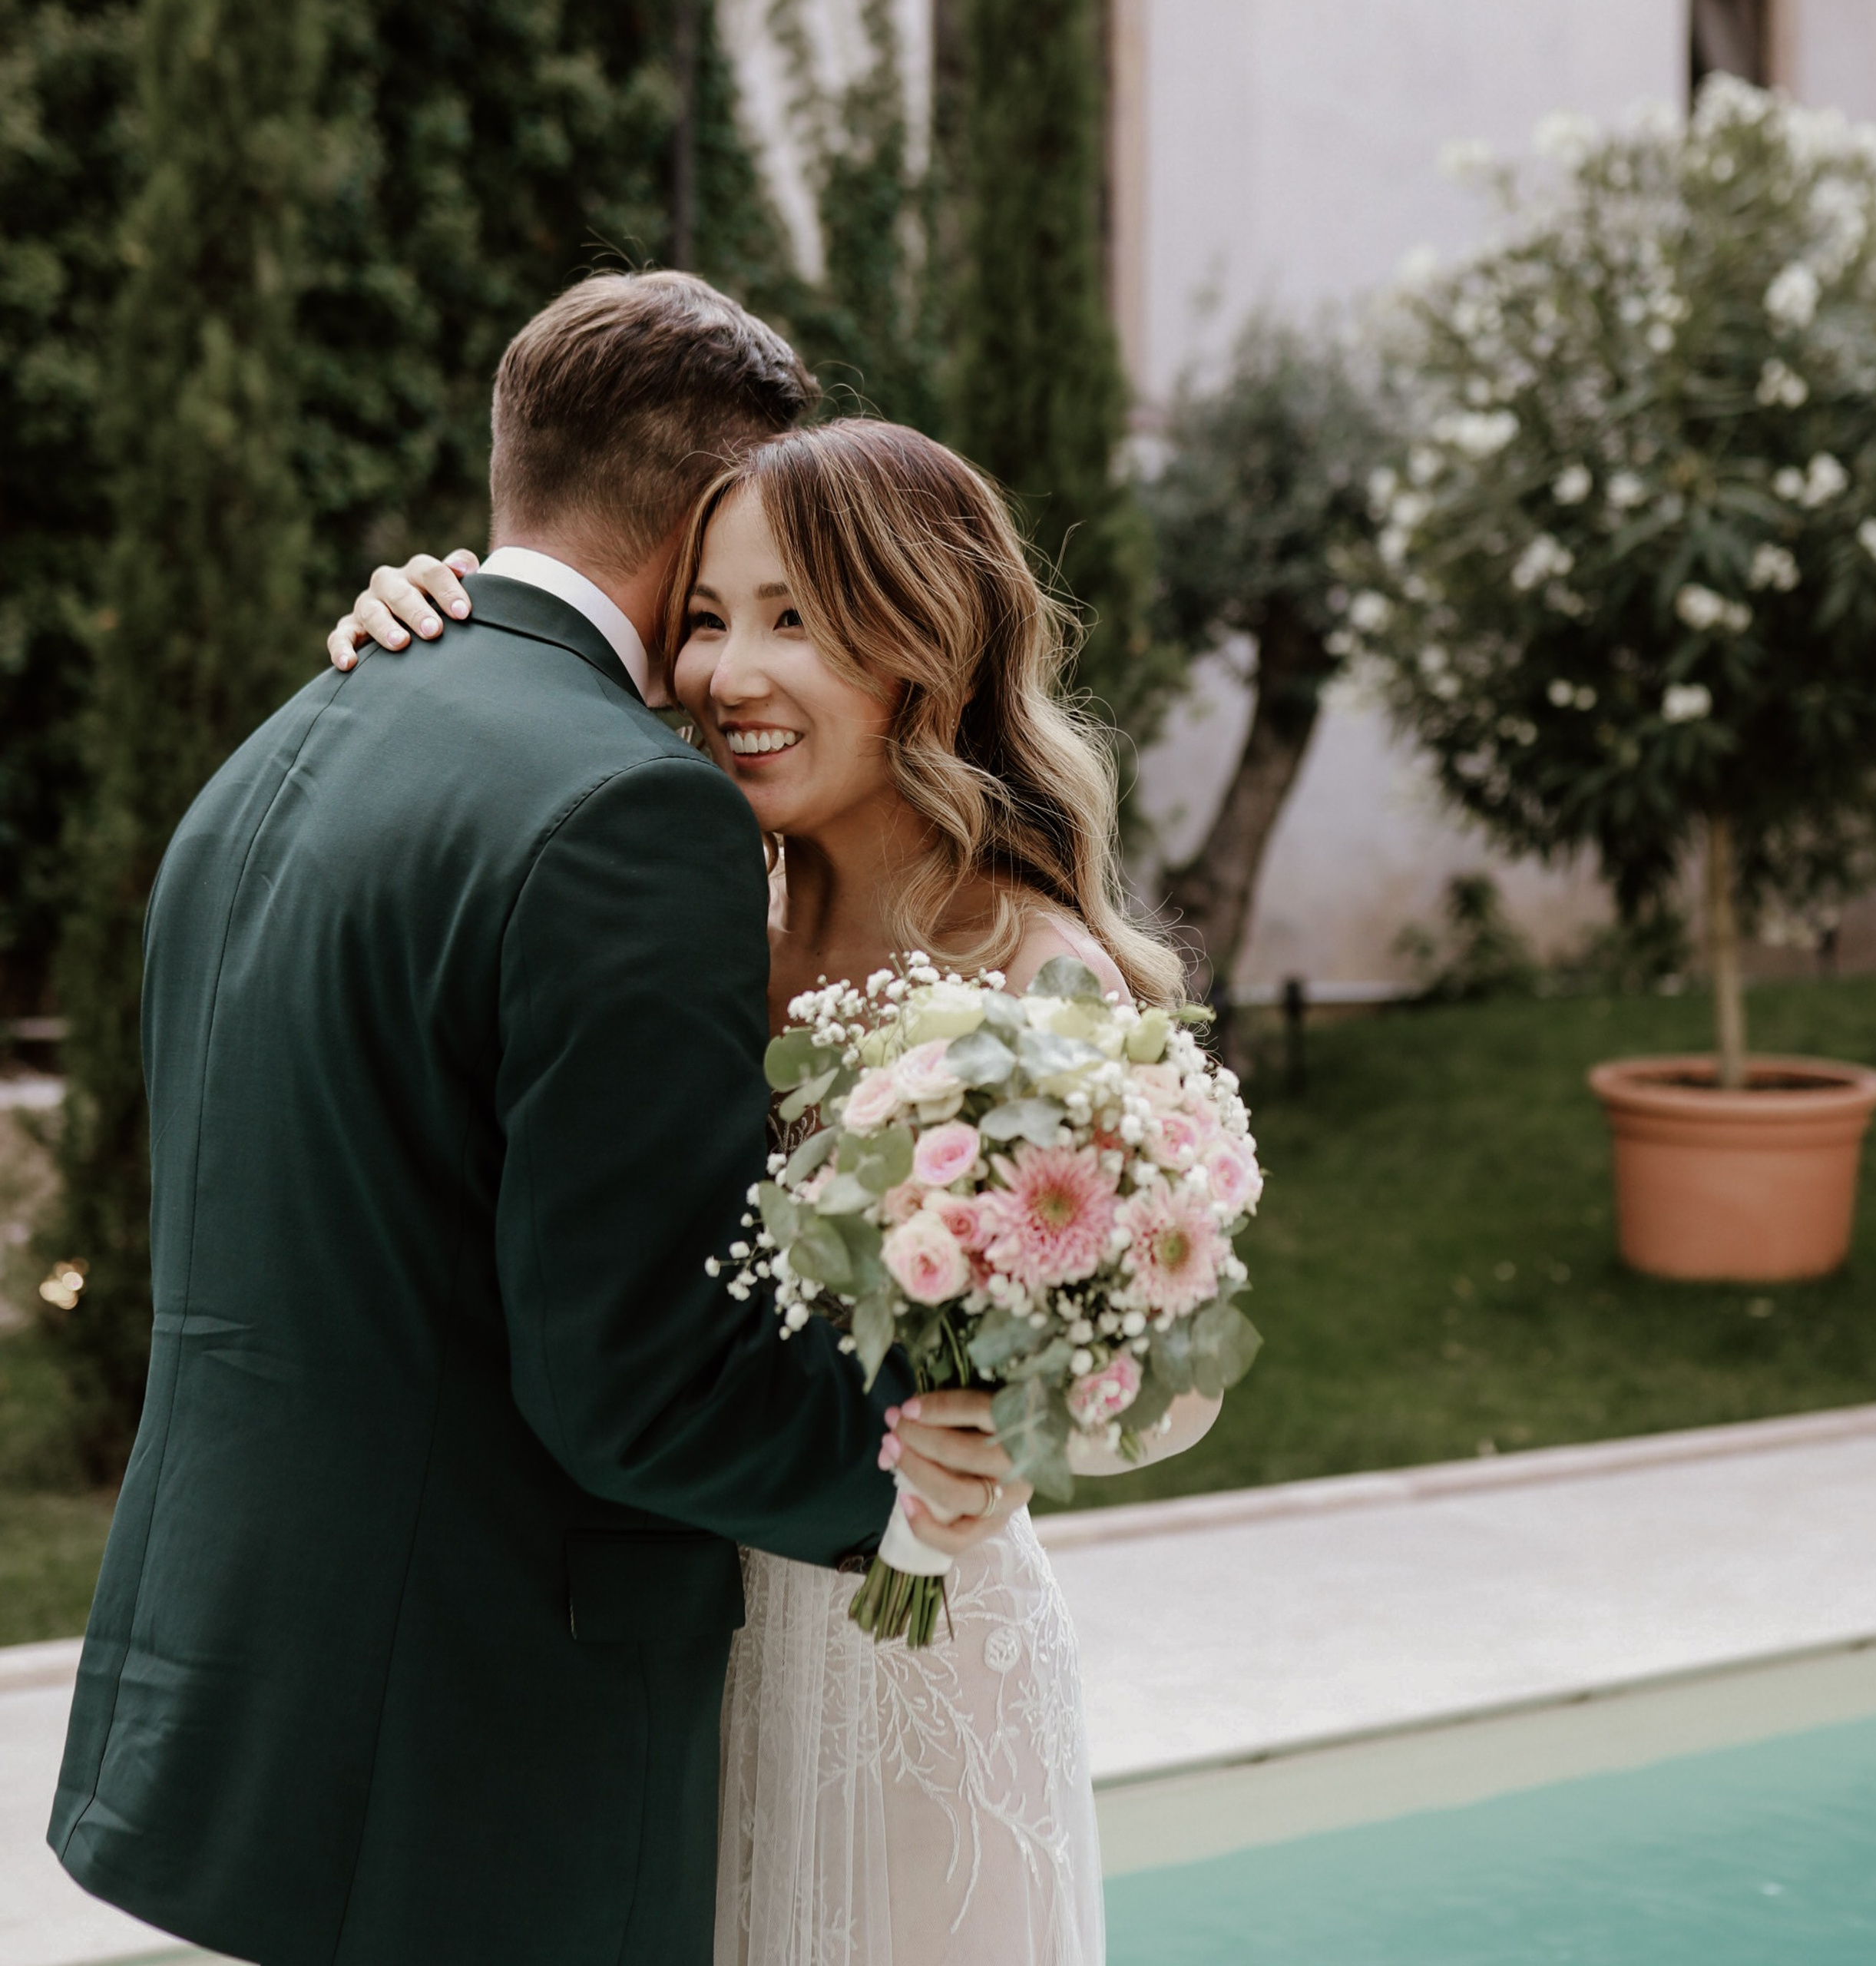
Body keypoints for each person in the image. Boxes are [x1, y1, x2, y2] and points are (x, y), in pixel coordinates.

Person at [48, 273, 1020, 1966]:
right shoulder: (631, 809)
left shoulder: (289, 740)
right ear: (700, 510)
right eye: (730, 586)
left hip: (239, 1697)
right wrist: (904, 1489)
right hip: (470, 1743)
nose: (734, 650)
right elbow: (629, 1375)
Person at [330, 415, 1224, 1965]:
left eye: (790, 618)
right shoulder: (677, 908)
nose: (723, 672)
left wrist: (1014, 1427)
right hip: (676, 1649)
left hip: (917, 1651)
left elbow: (1171, 1378)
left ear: (917, 646)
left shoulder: (1037, 975)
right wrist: (424, 633)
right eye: (704, 615)